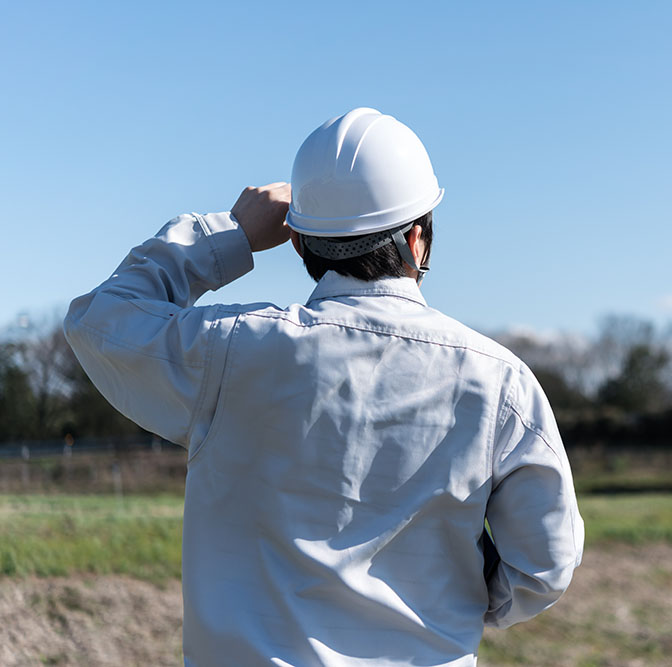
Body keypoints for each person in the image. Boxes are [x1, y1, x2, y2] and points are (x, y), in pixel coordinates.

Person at [64, 108, 584, 666]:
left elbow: (100, 319)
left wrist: (231, 234)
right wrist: (446, 600)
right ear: (417, 239)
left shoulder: (230, 349)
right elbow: (543, 566)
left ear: (299, 245)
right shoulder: (499, 381)